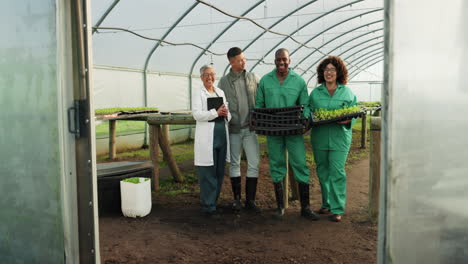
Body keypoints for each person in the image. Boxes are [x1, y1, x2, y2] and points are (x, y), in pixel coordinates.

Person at [255, 48, 318, 220]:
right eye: (278, 60)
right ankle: (280, 206)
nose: (281, 62)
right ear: (274, 61)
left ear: (290, 61)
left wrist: (305, 120)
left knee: (300, 163)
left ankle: (305, 208)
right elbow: (259, 104)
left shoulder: (298, 81)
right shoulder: (266, 81)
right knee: (276, 165)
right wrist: (259, 120)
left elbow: (305, 105)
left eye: (284, 59)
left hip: (293, 131)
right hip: (273, 131)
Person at [308, 56, 357, 222]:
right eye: (326, 70)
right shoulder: (315, 93)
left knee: (337, 171)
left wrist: (349, 120)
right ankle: (326, 203)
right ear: (322, 73)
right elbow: (308, 111)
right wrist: (307, 118)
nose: (329, 73)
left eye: (332, 70)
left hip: (339, 138)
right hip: (320, 138)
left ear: (338, 72)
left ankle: (337, 209)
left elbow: (354, 112)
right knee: (322, 171)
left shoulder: (347, 92)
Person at [218, 47, 261, 213]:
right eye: (240, 60)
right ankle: (237, 200)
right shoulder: (224, 82)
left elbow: (261, 97)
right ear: (231, 61)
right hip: (234, 129)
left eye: (244, 59)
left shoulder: (253, 78)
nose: (244, 62)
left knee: (254, 163)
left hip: (250, 129)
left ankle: (250, 201)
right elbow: (219, 103)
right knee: (234, 163)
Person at [192, 64, 231, 216]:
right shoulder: (198, 93)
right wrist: (216, 112)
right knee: (207, 171)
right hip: (207, 137)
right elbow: (197, 114)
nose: (210, 77)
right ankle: (208, 205)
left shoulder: (220, 92)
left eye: (212, 74)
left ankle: (214, 201)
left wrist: (227, 113)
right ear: (202, 77)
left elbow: (227, 112)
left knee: (219, 170)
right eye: (206, 75)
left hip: (221, 135)